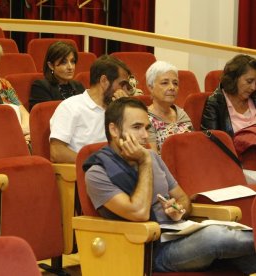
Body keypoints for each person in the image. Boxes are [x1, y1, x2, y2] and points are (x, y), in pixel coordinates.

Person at [84, 97, 256, 274]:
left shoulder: (152, 157)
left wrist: (179, 208)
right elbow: (139, 213)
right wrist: (144, 162)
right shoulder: (98, 173)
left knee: (246, 256)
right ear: (113, 129)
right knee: (216, 237)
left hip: (179, 234)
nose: (144, 135)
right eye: (137, 127)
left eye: (147, 128)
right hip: (149, 250)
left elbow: (183, 198)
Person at [49, 55, 134, 163]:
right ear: (104, 81)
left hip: (117, 168)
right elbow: (56, 152)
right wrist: (96, 165)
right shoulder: (70, 107)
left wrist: (125, 111)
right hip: (86, 173)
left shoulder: (116, 109)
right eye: (122, 84)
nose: (125, 91)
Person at [201, 54, 256, 137]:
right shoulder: (215, 103)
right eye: (249, 81)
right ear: (234, 78)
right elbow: (210, 142)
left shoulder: (254, 97)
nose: (253, 87)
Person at [146, 61, 193, 153]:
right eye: (165, 83)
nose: (172, 87)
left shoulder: (181, 114)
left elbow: (193, 147)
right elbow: (153, 160)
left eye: (175, 83)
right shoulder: (145, 118)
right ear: (150, 87)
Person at [29, 41, 85, 110]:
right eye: (64, 62)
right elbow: (45, 117)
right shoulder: (41, 87)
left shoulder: (78, 86)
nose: (70, 67)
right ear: (51, 65)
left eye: (72, 61)